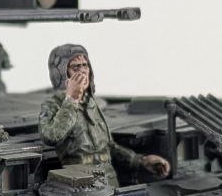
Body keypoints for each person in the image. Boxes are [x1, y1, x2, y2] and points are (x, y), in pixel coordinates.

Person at [39, 44, 170, 186]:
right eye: (75, 67)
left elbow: (108, 147)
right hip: (82, 184)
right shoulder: (54, 105)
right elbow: (50, 136)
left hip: (109, 180)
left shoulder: (91, 103)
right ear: (62, 74)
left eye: (85, 65)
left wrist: (140, 160)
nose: (82, 71)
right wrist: (71, 100)